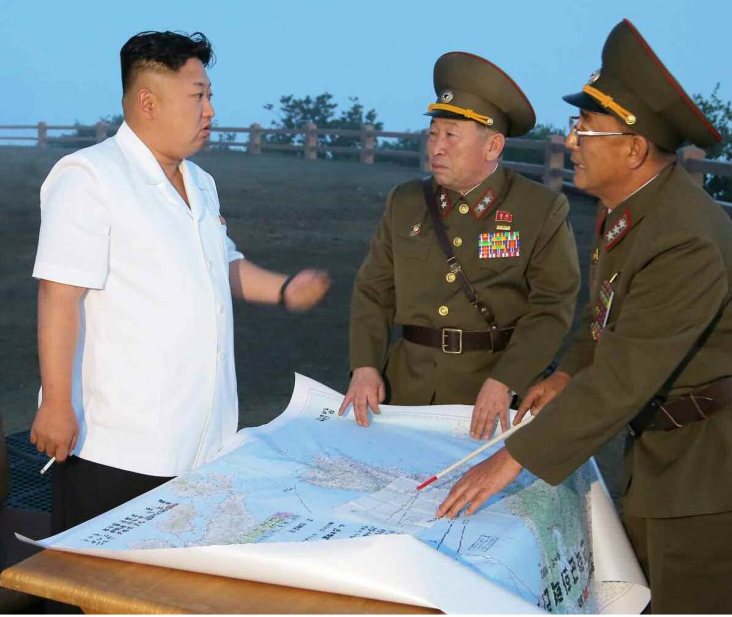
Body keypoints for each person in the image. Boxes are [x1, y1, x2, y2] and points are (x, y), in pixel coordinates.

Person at [436, 19, 732, 613]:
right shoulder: (632, 211)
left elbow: (624, 377)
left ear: (634, 148)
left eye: (586, 128)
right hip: (672, 456)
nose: (573, 140)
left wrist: (512, 460)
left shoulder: (682, 238)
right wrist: (565, 374)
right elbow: (609, 322)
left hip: (726, 472)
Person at [30, 31, 330, 533]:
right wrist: (57, 404)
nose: (210, 109)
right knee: (103, 601)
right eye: (198, 95)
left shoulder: (200, 182)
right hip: (118, 448)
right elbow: (59, 294)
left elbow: (222, 263)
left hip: (204, 443)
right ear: (148, 101)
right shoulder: (90, 177)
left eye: (209, 94)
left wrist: (283, 289)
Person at [341, 52, 580, 439]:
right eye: (433, 133)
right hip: (405, 392)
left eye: (451, 135)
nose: (436, 147)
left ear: (493, 146)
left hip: (490, 395)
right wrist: (365, 366)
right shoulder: (405, 202)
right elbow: (374, 290)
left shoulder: (539, 209)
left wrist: (507, 380)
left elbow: (552, 308)